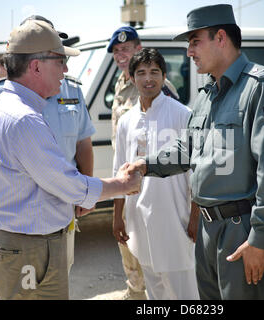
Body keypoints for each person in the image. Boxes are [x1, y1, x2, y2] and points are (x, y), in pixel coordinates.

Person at [127, 4, 264, 300]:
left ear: (220, 38)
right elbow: (187, 147)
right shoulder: (209, 93)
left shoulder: (261, 87)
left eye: (194, 42)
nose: (190, 52)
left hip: (241, 231)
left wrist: (261, 239)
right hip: (207, 230)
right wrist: (145, 165)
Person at [0, 20, 141, 300]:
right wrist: (122, 184)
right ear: (37, 66)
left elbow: (82, 146)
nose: (65, 70)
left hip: (28, 245)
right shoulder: (24, 119)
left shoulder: (8, 105)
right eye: (60, 61)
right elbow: (69, 185)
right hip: (28, 248)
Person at [0, 15, 94, 275]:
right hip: (21, 221)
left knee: (60, 272)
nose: (64, 68)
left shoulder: (72, 90)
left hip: (62, 206)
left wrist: (86, 187)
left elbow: (83, 143)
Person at [113, 48, 199, 300]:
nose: (148, 79)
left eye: (154, 72)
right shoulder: (127, 120)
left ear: (163, 76)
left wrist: (195, 216)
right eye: (141, 73)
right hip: (138, 218)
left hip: (175, 218)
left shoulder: (182, 114)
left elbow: (196, 170)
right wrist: (117, 216)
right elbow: (119, 169)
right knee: (154, 289)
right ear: (131, 78)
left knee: (184, 291)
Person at [108, 26, 179, 300]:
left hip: (153, 181)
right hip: (126, 179)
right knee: (127, 242)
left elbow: (171, 143)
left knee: (154, 249)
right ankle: (135, 290)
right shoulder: (121, 84)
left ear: (138, 49)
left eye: (125, 49)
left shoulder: (161, 89)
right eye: (115, 51)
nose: (119, 55)